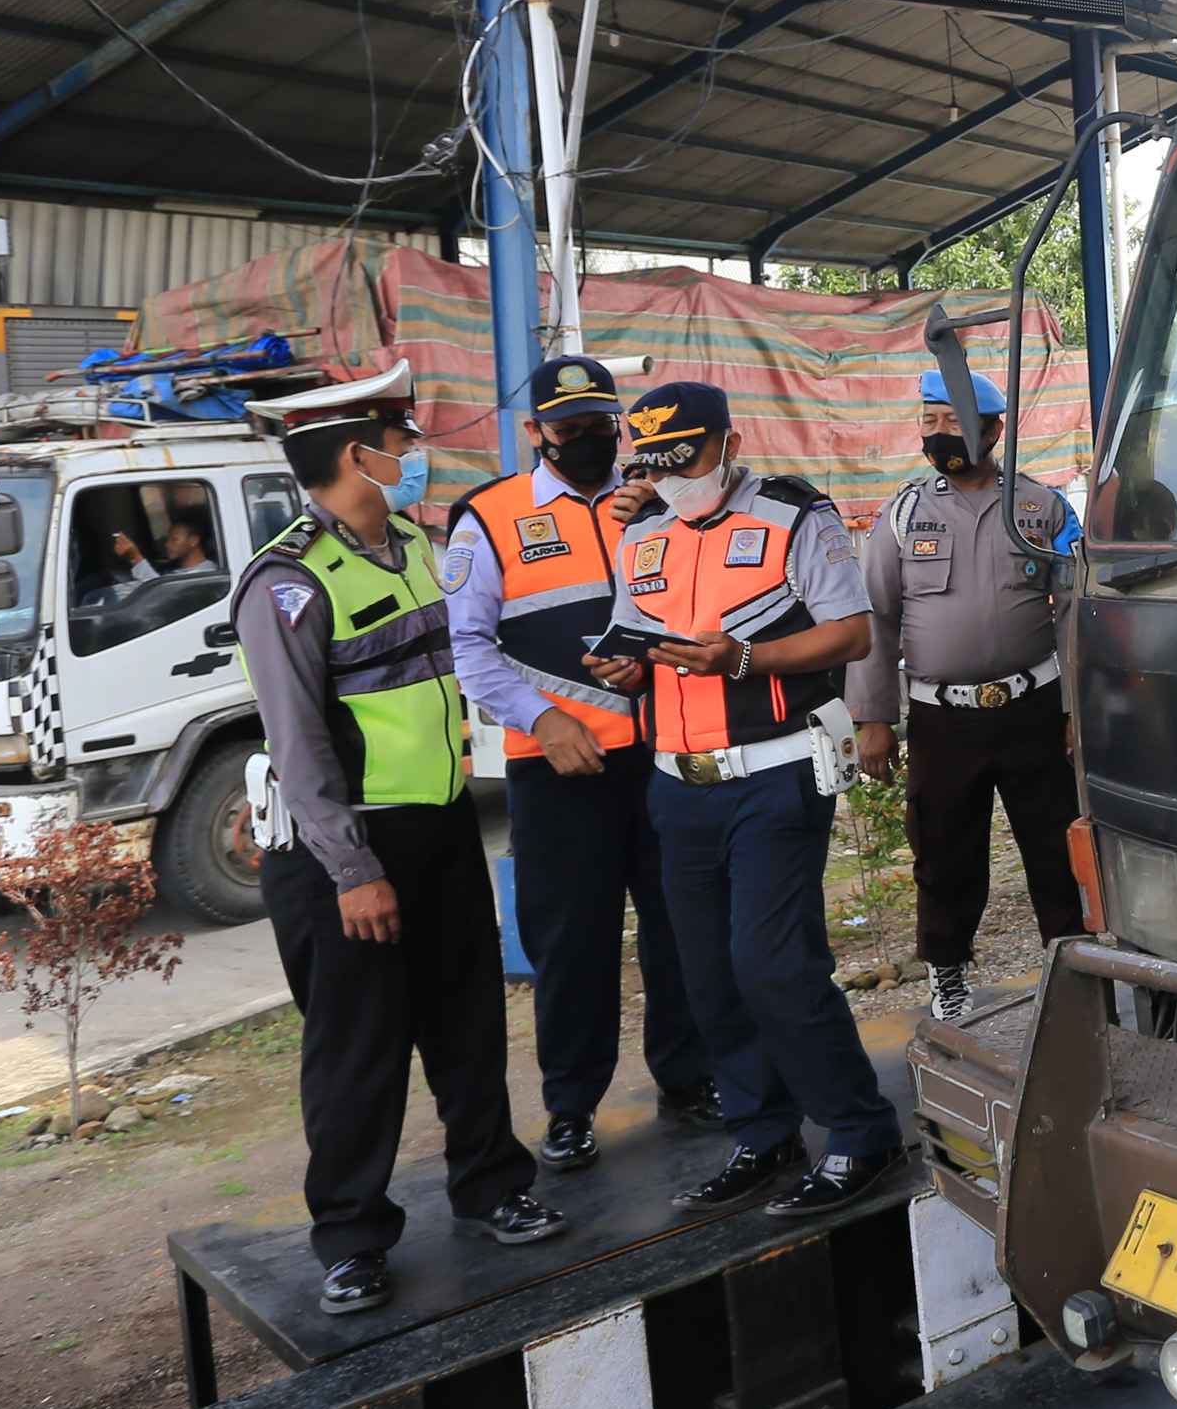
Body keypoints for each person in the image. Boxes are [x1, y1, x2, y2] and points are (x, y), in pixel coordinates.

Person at [228, 361, 562, 1317]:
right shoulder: (287, 582)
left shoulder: (416, 542)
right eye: (400, 441)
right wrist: (353, 870)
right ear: (354, 454)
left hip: (441, 826)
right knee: (357, 1049)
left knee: (466, 1019)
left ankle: (494, 1186)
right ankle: (350, 1238)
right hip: (349, 855)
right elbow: (297, 744)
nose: (415, 454)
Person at [583, 381, 898, 1218]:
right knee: (708, 973)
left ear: (729, 440)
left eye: (687, 458)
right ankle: (761, 1133)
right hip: (676, 783)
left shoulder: (796, 516)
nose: (675, 477)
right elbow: (632, 635)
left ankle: (860, 1131)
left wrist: (741, 660)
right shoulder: (642, 534)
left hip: (774, 772)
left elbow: (853, 631)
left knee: (776, 964)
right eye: (657, 463)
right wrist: (622, 667)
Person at [446, 353, 716, 1170]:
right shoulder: (489, 518)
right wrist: (545, 719)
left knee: (680, 926)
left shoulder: (656, 502)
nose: (594, 439)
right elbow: (469, 647)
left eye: (605, 423)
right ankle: (570, 1107)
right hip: (559, 769)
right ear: (535, 431)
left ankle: (689, 1075)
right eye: (572, 428)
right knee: (573, 943)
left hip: (665, 754)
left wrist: (660, 515)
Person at [852, 365, 1082, 1027]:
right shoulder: (901, 516)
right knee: (945, 851)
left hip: (1034, 710)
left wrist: (1074, 709)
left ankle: (1071, 969)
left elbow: (1072, 611)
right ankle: (949, 976)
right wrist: (873, 718)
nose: (938, 434)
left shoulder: (1044, 508)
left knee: (1055, 847)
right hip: (940, 719)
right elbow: (875, 619)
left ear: (995, 428)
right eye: (929, 422)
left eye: (953, 422)